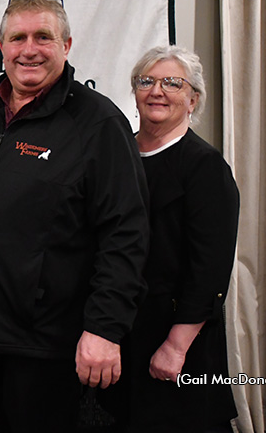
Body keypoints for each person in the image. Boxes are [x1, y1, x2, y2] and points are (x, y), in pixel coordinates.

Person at [0, 0, 149, 432]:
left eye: (43, 37)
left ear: (66, 46)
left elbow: (127, 234)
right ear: (2, 47)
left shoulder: (98, 124)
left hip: (47, 346)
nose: (29, 49)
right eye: (18, 37)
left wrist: (105, 329)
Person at [101, 46, 239, 432]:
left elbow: (210, 270)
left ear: (193, 99)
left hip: (179, 338)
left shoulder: (205, 167)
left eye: (172, 83)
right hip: (126, 329)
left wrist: (176, 347)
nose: (156, 91)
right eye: (147, 81)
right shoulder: (118, 155)